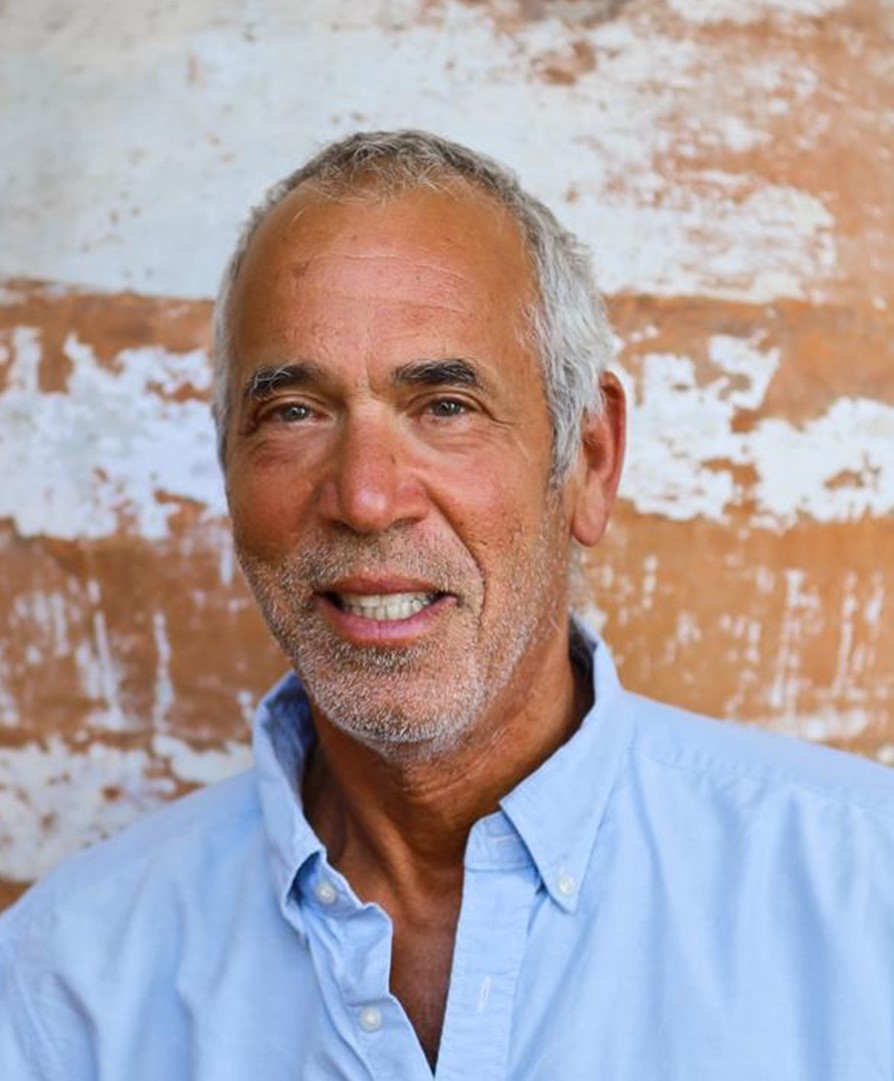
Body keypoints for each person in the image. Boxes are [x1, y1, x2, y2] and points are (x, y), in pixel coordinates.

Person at [1, 130, 892, 1081]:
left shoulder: (863, 894)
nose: (366, 497)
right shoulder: (66, 989)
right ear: (227, 465)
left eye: (446, 407)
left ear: (589, 462)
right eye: (295, 411)